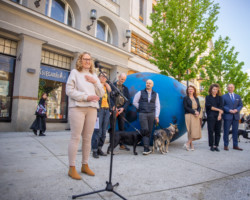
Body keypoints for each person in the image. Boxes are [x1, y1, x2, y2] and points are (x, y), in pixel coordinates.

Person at [66, 52, 105, 180]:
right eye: (85, 59)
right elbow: (69, 91)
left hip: (92, 109)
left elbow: (101, 92)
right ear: (80, 60)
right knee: (76, 137)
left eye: (89, 59)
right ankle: (72, 168)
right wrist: (86, 97)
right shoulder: (75, 73)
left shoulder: (94, 75)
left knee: (88, 138)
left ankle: (85, 165)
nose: (88, 61)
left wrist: (96, 82)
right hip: (78, 107)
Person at [133, 79, 160, 155]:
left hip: (151, 114)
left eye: (150, 83)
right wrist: (141, 107)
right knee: (145, 130)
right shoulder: (140, 92)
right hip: (143, 114)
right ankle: (145, 148)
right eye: (147, 83)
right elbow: (134, 102)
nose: (148, 84)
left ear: (152, 85)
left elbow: (157, 105)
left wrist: (157, 116)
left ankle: (147, 147)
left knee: (150, 131)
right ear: (146, 84)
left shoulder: (156, 94)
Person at [91, 72, 112, 158]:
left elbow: (110, 99)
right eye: (102, 76)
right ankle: (94, 150)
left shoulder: (107, 87)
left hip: (106, 111)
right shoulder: (96, 86)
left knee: (104, 132)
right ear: (98, 77)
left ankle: (100, 148)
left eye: (105, 76)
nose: (104, 78)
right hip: (99, 110)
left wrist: (110, 110)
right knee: (97, 131)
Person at [110, 73, 130, 151]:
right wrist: (113, 106)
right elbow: (109, 97)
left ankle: (122, 144)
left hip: (121, 110)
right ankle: (112, 144)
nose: (123, 81)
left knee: (122, 127)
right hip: (114, 109)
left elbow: (128, 100)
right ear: (118, 77)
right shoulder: (112, 86)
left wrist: (123, 108)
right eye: (122, 79)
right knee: (113, 127)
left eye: (124, 80)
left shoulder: (125, 88)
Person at [222, 84, 243, 151]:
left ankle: (235, 145)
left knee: (235, 131)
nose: (230, 88)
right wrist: (229, 110)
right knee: (226, 131)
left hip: (236, 117)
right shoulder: (224, 96)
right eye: (229, 87)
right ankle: (226, 145)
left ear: (233, 88)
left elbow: (240, 105)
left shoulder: (238, 96)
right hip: (227, 116)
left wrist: (237, 110)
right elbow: (223, 106)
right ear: (227, 88)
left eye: (231, 87)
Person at [205, 84, 223, 152]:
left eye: (216, 89)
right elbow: (210, 107)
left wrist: (220, 115)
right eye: (213, 89)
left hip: (218, 116)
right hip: (211, 116)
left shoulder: (220, 98)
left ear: (218, 90)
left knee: (218, 131)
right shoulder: (208, 97)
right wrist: (219, 110)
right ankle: (211, 145)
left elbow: (221, 107)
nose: (215, 90)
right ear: (211, 90)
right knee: (211, 131)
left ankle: (216, 145)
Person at [183, 85, 201, 151]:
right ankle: (191, 144)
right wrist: (194, 112)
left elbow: (199, 107)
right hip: (189, 115)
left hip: (196, 116)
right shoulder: (185, 98)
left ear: (194, 90)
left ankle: (187, 143)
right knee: (190, 130)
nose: (190, 90)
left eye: (192, 89)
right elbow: (186, 107)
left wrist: (198, 112)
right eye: (189, 89)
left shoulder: (196, 98)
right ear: (187, 91)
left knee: (195, 131)